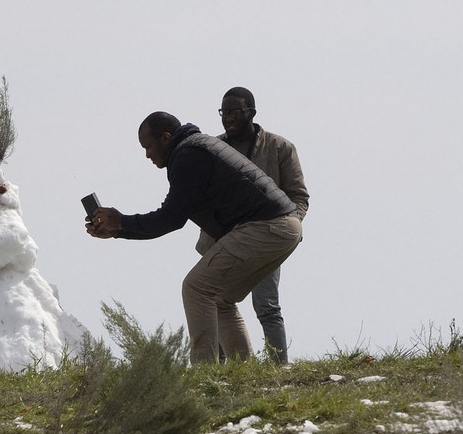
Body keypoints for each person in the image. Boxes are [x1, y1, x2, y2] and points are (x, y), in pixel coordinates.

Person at [86, 111, 302, 364]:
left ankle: (205, 373)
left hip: (265, 226)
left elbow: (171, 218)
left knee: (196, 288)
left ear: (166, 138)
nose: (147, 155)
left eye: (148, 146)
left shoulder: (188, 155)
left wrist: (121, 222)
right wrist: (119, 230)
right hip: (284, 229)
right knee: (220, 299)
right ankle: (245, 373)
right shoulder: (196, 148)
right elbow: (172, 218)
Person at [215, 86, 309, 363]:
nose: (228, 118)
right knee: (213, 302)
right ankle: (217, 370)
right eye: (224, 112)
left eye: (234, 112)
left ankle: (278, 369)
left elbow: (298, 196)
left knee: (266, 306)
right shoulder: (214, 148)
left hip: (267, 238)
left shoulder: (280, 148)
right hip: (224, 240)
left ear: (251, 113)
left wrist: (290, 226)